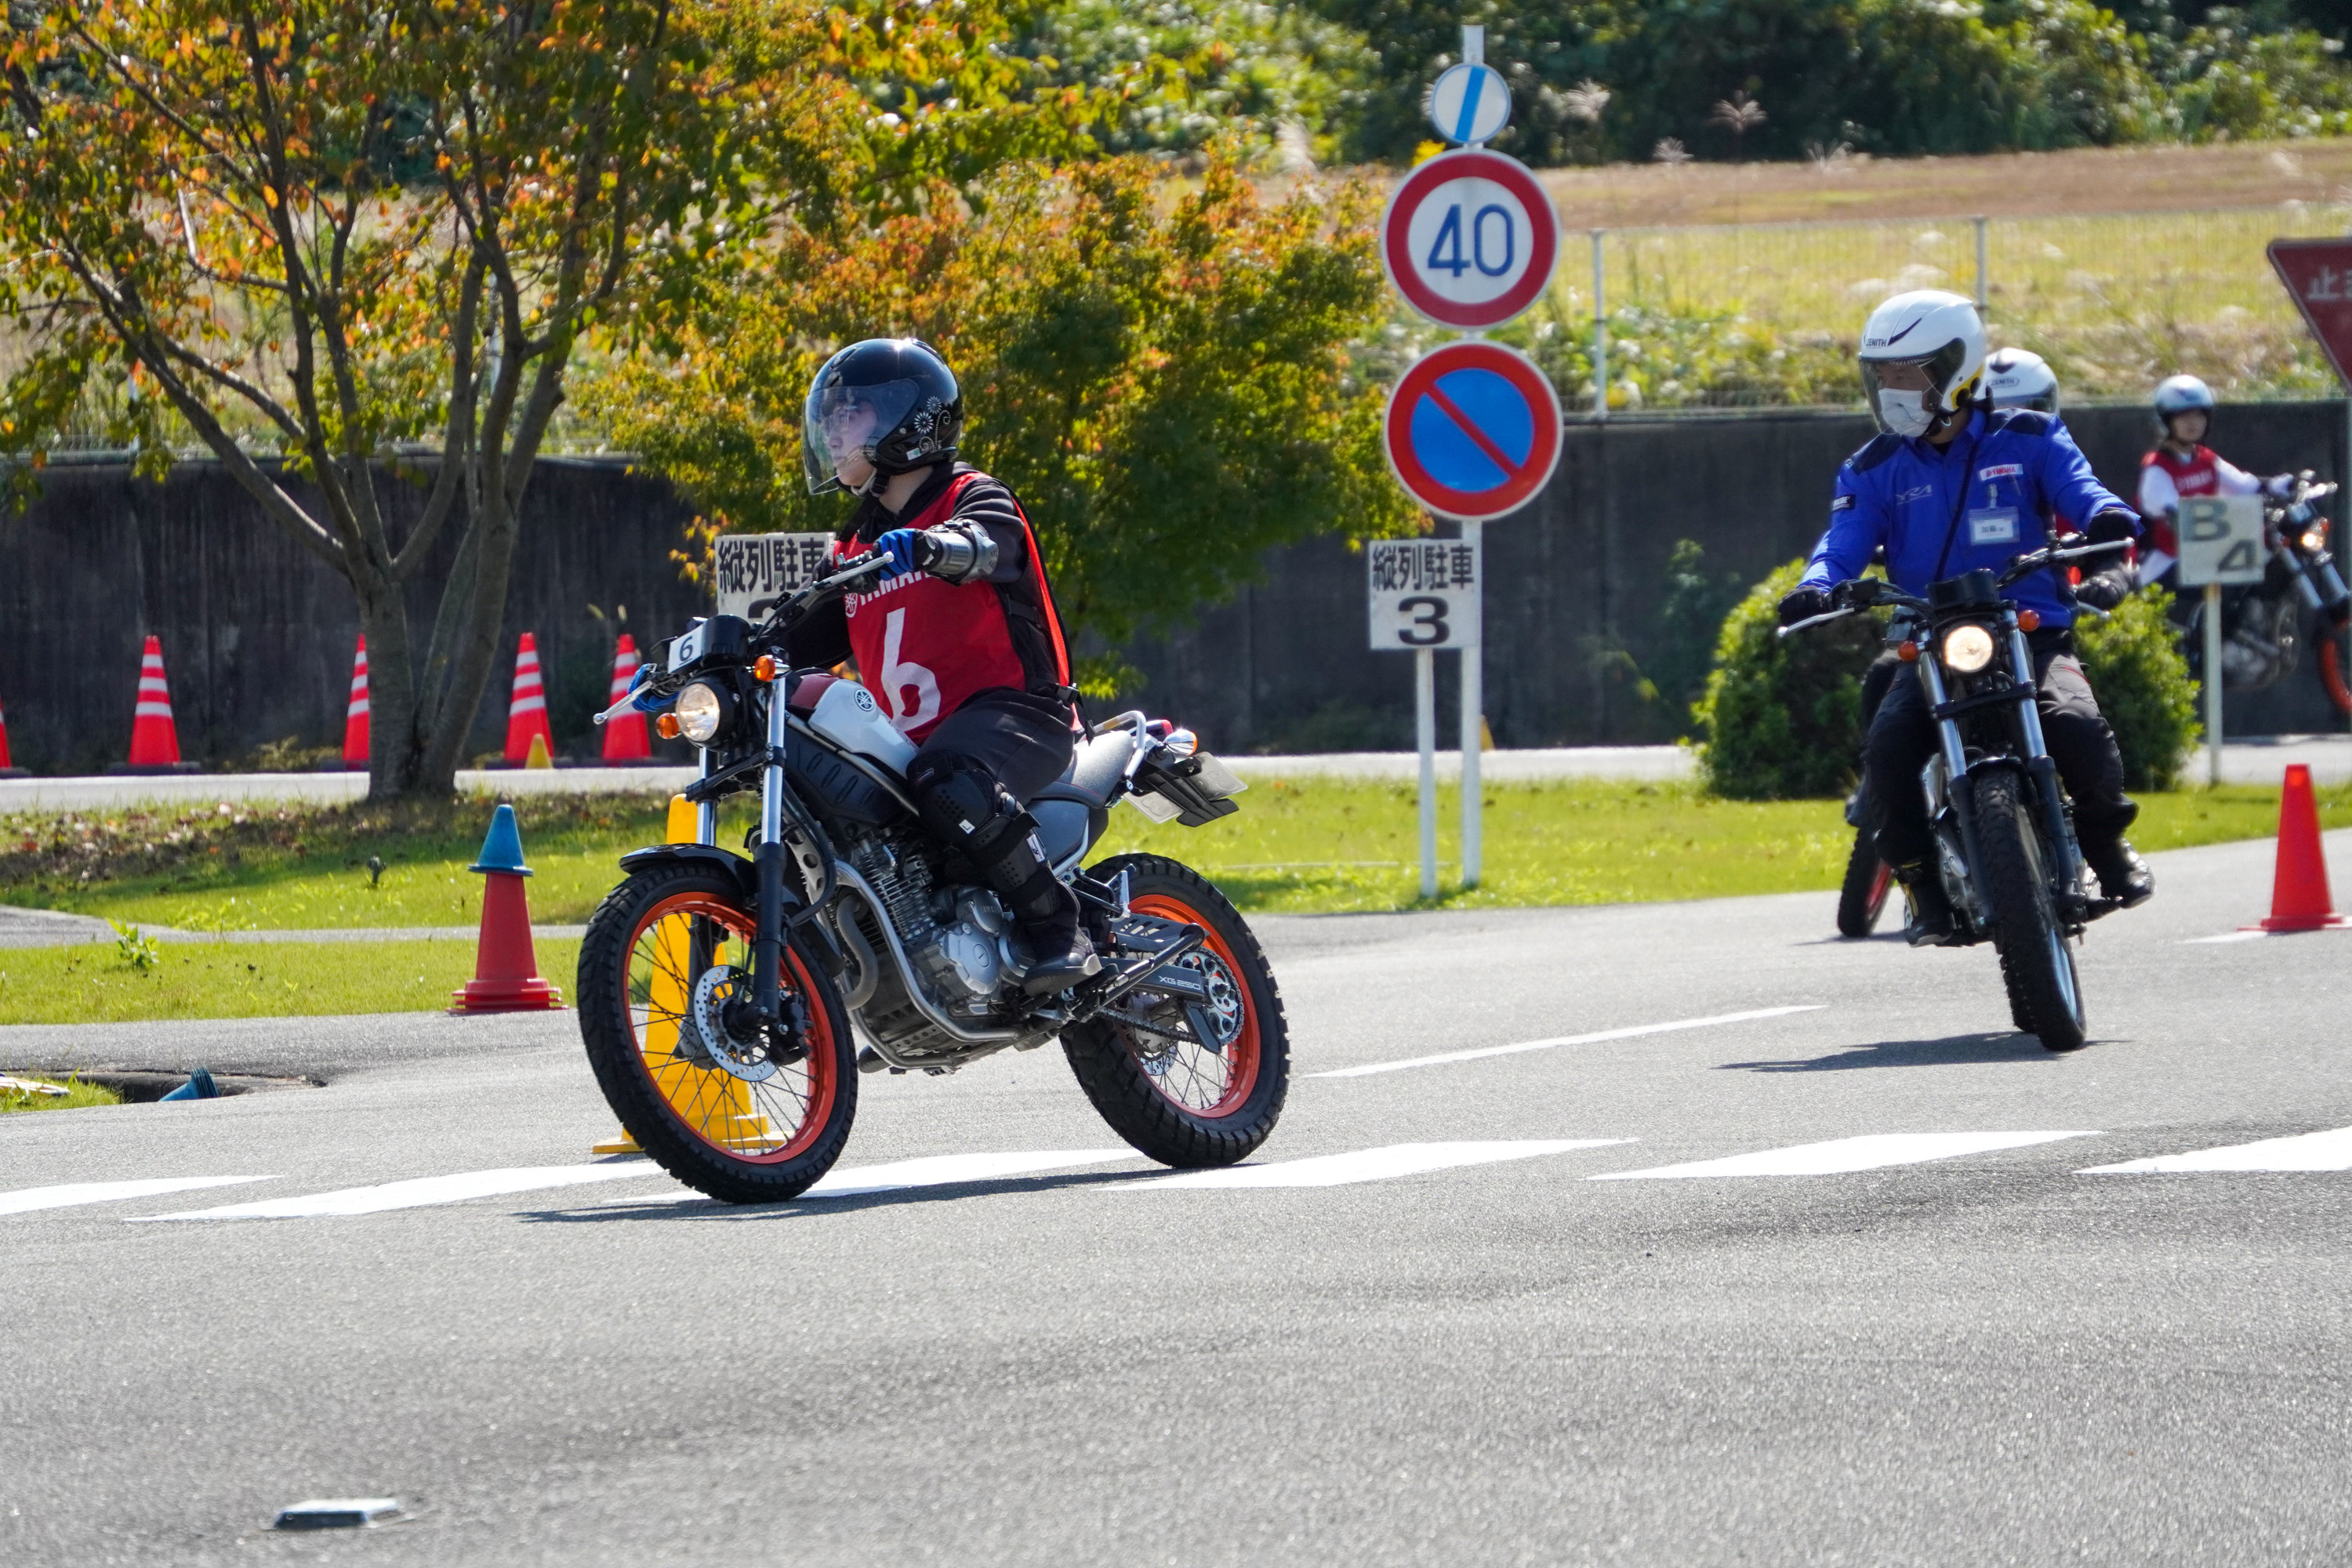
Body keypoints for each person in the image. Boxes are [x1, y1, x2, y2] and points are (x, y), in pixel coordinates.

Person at [1778, 290, 2155, 945]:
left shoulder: (2031, 437)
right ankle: (1923, 886)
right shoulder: (1870, 468)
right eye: (1882, 376)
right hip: (1927, 642)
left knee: (2078, 727)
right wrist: (1818, 586)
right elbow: (1841, 545)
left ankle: (2106, 849)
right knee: (1890, 756)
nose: (1890, 390)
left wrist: (2104, 516)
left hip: (2029, 629)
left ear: (1957, 367)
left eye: (1906, 375)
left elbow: (2080, 487)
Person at [783, 338, 1099, 993]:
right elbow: (796, 634)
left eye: (853, 415)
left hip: (1018, 713)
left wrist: (935, 547)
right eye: (832, 416)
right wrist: (715, 656)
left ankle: (1058, 929)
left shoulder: (971, 495)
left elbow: (989, 544)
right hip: (910, 740)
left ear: (911, 418)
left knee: (948, 778)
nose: (835, 430)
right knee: (821, 812)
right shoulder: (853, 547)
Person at [2136, 373, 2292, 590]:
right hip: (2167, 562)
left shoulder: (2206, 458)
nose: (2193, 422)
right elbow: (2167, 510)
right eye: (2183, 416)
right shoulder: (2157, 467)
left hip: (2207, 556)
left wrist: (2280, 486)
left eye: (2199, 414)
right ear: (2166, 420)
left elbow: (2245, 486)